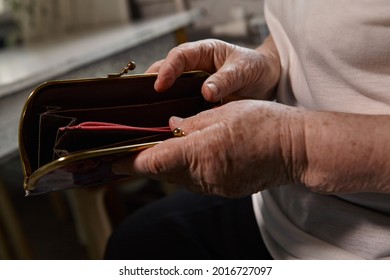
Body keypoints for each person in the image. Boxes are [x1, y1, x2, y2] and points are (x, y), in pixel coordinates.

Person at [105, 0, 390, 259]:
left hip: (366, 248)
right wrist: (267, 62)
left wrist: (296, 146)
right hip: (281, 209)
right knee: (134, 245)